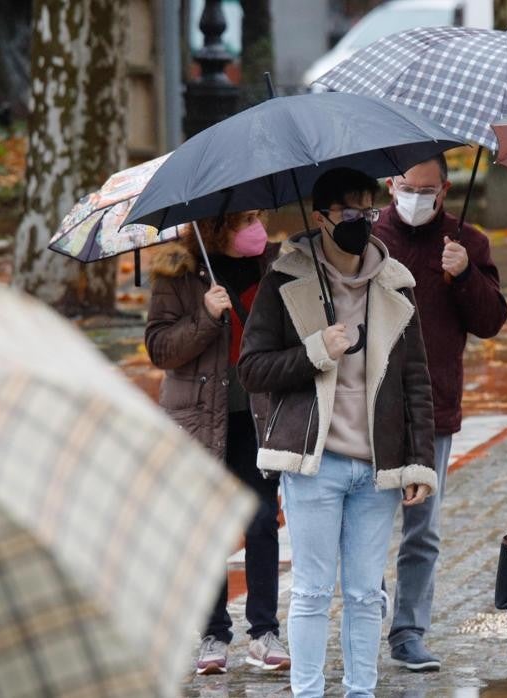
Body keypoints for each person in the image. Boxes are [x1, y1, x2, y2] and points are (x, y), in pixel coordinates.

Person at [237, 167, 437, 697]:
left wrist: (419, 462)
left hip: (378, 464)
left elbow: (417, 380)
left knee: (367, 593)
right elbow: (252, 368)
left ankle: (360, 692)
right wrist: (315, 351)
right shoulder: (285, 281)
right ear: (321, 216)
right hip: (313, 461)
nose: (362, 220)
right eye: (349, 211)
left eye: (369, 210)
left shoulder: (396, 283)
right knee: (310, 591)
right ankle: (307, 692)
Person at [373, 153, 507, 671]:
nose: (416, 198)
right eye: (409, 187)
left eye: (428, 190)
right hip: (368, 407)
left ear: (445, 190)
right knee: (363, 521)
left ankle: (409, 630)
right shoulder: (367, 239)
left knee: (421, 527)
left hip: (434, 405)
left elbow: (491, 320)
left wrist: (465, 274)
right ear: (391, 185)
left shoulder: (467, 242)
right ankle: (371, 601)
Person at [144, 209, 290, 674]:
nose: (257, 227)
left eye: (259, 215)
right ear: (215, 225)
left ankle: (264, 630)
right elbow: (160, 348)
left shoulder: (276, 267)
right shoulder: (179, 273)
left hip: (257, 414)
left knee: (263, 518)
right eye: (245, 218)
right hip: (198, 420)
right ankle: (213, 634)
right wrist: (206, 315)